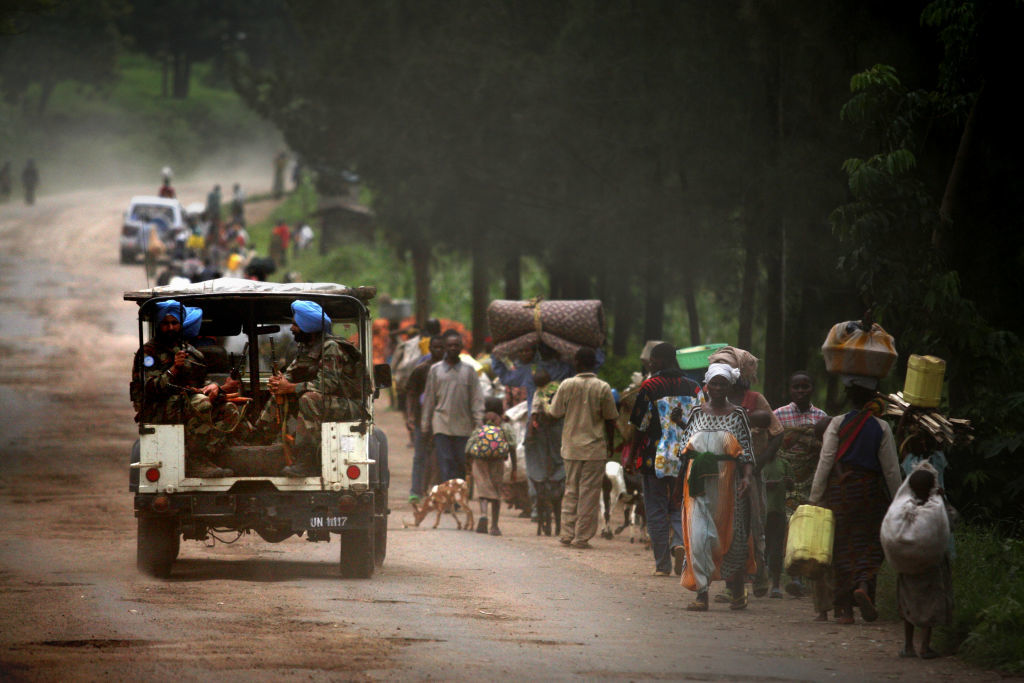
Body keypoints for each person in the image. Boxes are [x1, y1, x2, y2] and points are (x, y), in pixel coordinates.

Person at [809, 375, 901, 624]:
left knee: (842, 546)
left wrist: (815, 498)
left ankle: (845, 611)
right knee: (869, 541)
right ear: (873, 397)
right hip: (870, 492)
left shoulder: (837, 423)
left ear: (848, 395)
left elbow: (826, 461)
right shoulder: (881, 427)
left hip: (841, 492)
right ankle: (863, 583)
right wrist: (898, 500)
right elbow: (891, 469)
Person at [672, 362, 757, 611]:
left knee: (731, 537)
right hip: (696, 482)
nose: (718, 388)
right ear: (706, 385)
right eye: (714, 383)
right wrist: (678, 484)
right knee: (698, 536)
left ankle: (737, 591)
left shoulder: (737, 414)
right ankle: (701, 593)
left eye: (723, 383)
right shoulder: (697, 412)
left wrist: (746, 478)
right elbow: (686, 448)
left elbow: (747, 451)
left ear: (729, 386)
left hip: (728, 483)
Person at [130, 301, 239, 478]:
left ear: (181, 325)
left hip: (188, 402)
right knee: (202, 404)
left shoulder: (192, 353)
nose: (170, 327)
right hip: (159, 407)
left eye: (174, 323)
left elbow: (202, 380)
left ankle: (205, 455)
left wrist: (216, 387)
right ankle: (195, 462)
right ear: (159, 325)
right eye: (166, 323)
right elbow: (148, 389)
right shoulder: (148, 354)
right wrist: (173, 369)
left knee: (229, 411)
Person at [258, 300, 367, 477]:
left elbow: (327, 385)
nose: (292, 329)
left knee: (308, 399)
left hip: (350, 405)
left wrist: (291, 387)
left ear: (307, 326)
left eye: (295, 324)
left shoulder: (331, 347)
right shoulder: (306, 348)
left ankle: (307, 460)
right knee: (283, 394)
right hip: (327, 402)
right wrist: (279, 383)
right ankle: (260, 435)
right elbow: (290, 375)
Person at [709, 345, 782, 598]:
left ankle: (759, 573)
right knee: (727, 527)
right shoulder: (714, 402)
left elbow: (777, 433)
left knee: (753, 524)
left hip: (749, 473)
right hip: (721, 475)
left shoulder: (755, 400)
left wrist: (759, 463)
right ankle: (733, 584)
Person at [629, 342, 702, 577]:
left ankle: (662, 565)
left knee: (656, 507)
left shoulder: (650, 386)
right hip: (687, 455)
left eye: (653, 359)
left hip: (655, 456)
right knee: (679, 505)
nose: (650, 364)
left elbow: (639, 425)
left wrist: (631, 454)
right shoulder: (694, 388)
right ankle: (679, 543)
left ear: (663, 360)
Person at [549, 347, 618, 549]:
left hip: (571, 447)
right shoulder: (603, 387)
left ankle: (566, 533)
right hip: (595, 449)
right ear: (594, 363)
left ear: (576, 363)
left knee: (571, 489)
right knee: (589, 493)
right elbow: (610, 420)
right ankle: (581, 537)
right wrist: (611, 446)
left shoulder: (567, 385)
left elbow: (554, 413)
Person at [774, 370, 832, 610]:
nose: (800, 391)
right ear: (790, 390)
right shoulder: (778, 415)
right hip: (785, 480)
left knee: (806, 526)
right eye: (796, 387)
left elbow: (826, 450)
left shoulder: (822, 418)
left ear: (812, 389)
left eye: (805, 387)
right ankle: (786, 578)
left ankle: (805, 575)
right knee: (785, 526)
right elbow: (774, 447)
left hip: (811, 481)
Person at [897, 467, 953, 659]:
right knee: (931, 601)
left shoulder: (905, 506)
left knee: (908, 601)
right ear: (932, 487)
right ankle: (925, 647)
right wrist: (943, 499)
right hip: (932, 564)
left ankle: (908, 646)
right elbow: (953, 521)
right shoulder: (936, 507)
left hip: (909, 563)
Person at [421, 331, 484, 482]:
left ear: (461, 347)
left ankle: (458, 500)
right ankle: (448, 502)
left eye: (456, 345)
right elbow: (429, 400)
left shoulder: (469, 371)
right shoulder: (435, 370)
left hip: (464, 427)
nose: (453, 348)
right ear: (445, 347)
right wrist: (425, 426)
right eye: (450, 345)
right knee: (445, 464)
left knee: (461, 465)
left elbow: (476, 399)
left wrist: (479, 423)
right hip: (441, 425)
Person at [465, 398, 518, 536]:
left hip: (480, 461)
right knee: (495, 490)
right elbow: (512, 446)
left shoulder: (481, 425)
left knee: (483, 489)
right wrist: (514, 468)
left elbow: (469, 446)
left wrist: (468, 464)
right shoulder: (504, 426)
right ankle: (494, 526)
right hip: (498, 461)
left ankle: (483, 514)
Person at [527, 368, 566, 536]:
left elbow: (535, 411)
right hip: (555, 425)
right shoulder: (558, 387)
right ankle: (556, 483)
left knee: (546, 457)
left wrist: (532, 427)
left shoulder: (542, 391)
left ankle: (548, 483)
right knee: (556, 456)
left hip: (548, 426)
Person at [406, 335, 445, 502]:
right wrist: (410, 416)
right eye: (435, 347)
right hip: (422, 418)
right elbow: (411, 393)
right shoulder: (421, 369)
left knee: (439, 457)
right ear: (430, 349)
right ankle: (416, 491)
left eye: (441, 347)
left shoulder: (447, 370)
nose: (438, 351)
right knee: (419, 456)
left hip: (442, 420)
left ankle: (437, 491)